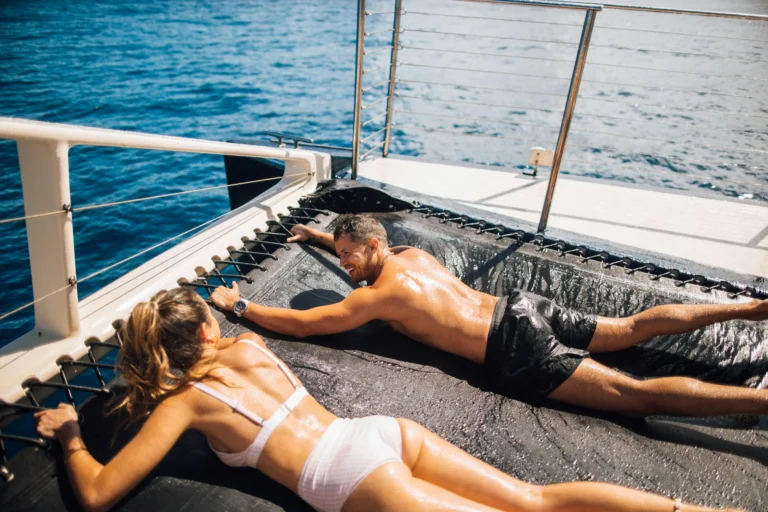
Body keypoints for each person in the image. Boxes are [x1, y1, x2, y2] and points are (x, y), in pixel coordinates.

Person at [34, 288, 740, 512]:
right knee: (534, 500)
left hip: (346, 478)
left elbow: (97, 496)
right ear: (210, 328)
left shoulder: (184, 403)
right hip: (379, 434)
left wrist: (70, 434)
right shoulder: (246, 345)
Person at [210, 214, 768, 417]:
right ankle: (752, 308)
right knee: (633, 327)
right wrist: (319, 236)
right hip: (522, 307)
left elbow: (305, 325)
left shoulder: (375, 296)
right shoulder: (410, 255)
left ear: (373, 250)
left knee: (635, 397)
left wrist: (240, 305)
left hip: (515, 347)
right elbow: (358, 247)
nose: (347, 266)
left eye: (350, 256)